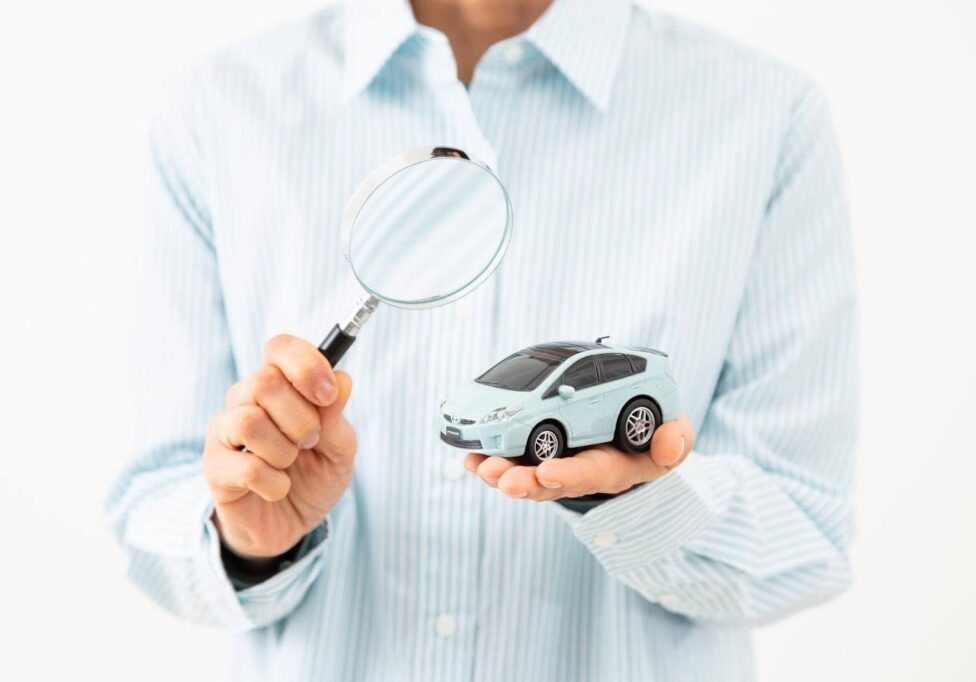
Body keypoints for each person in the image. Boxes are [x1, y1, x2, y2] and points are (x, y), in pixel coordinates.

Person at [106, 0, 858, 678]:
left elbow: (808, 535)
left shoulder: (766, 117)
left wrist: (643, 502)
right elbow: (151, 504)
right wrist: (248, 539)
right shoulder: (215, 110)